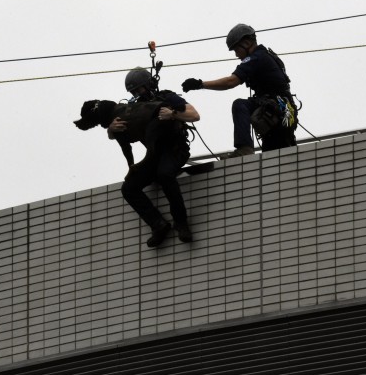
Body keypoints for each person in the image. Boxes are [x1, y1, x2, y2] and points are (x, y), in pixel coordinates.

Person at [112, 67, 200, 247]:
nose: (137, 94)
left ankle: (181, 222)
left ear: (149, 85)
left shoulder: (167, 98)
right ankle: (158, 224)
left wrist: (173, 113)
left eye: (139, 89)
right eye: (134, 92)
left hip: (175, 149)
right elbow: (116, 134)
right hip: (153, 155)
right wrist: (111, 128)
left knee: (164, 174)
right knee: (129, 188)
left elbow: (194, 114)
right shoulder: (134, 109)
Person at [182, 23, 297, 157]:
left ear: (247, 43)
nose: (237, 55)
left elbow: (230, 82)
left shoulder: (256, 58)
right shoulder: (267, 55)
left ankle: (244, 149)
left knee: (240, 105)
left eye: (236, 50)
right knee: (272, 156)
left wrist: (200, 84)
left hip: (277, 110)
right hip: (284, 113)